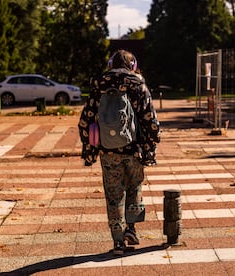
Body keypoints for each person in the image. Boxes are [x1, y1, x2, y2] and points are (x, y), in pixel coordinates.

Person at [78, 49, 160, 256]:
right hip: (134, 150)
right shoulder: (138, 84)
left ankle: (118, 242)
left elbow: (85, 120)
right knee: (134, 187)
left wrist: (89, 152)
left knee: (114, 195)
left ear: (110, 65)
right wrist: (149, 151)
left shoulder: (99, 84)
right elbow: (151, 121)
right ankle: (131, 229)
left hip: (108, 151)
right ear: (133, 65)